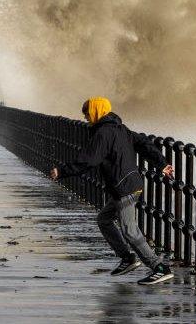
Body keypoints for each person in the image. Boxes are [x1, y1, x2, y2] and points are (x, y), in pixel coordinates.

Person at [50, 97, 175, 286]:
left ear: (97, 111)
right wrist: (162, 163)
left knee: (129, 230)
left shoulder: (104, 133)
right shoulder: (120, 128)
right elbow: (144, 144)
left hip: (124, 188)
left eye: (87, 113)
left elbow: (88, 160)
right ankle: (128, 258)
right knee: (104, 220)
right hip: (128, 184)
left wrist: (62, 171)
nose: (85, 118)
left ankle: (159, 268)